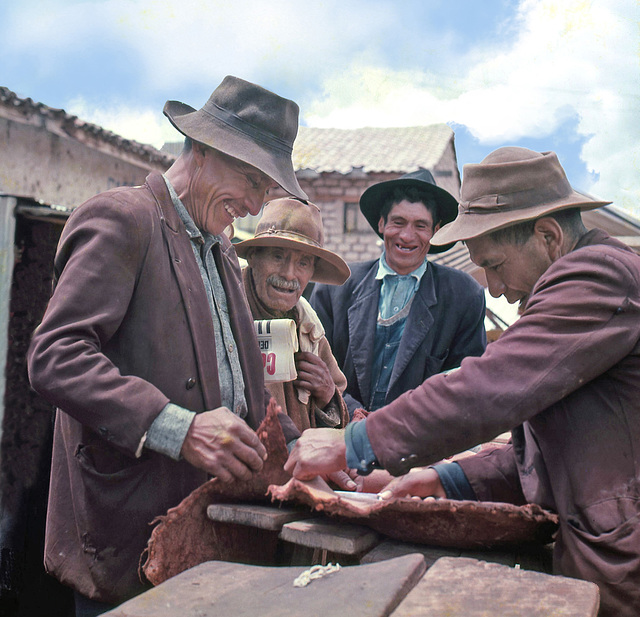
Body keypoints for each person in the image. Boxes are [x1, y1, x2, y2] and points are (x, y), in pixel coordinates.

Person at [285, 147, 640, 617]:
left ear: (549, 236)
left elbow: (487, 386)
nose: (492, 287)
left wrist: (353, 442)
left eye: (493, 264)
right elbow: (544, 451)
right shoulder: (347, 287)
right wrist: (442, 476)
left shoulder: (598, 275)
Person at [27, 75, 306, 614]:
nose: (253, 205)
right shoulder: (124, 217)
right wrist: (178, 428)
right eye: (249, 179)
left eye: (265, 190)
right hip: (129, 534)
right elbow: (55, 355)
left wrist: (299, 448)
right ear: (200, 150)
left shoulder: (221, 250)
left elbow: (244, 385)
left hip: (200, 537)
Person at [310, 169, 487, 418]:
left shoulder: (464, 295)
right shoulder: (336, 286)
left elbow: (465, 382)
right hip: (340, 431)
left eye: (421, 225)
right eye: (398, 222)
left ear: (435, 231)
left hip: (420, 441)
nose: (406, 236)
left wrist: (399, 426)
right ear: (382, 223)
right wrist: (350, 410)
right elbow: (315, 363)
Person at [234, 197, 351, 434]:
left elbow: (338, 412)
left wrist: (328, 394)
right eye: (278, 256)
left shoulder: (308, 326)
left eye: (303, 263)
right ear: (254, 256)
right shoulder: (226, 309)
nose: (289, 275)